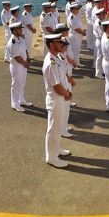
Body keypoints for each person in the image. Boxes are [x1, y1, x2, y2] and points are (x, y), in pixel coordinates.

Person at [42, 34, 73, 168]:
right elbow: (56, 86)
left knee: (58, 127)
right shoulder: (51, 62)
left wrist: (66, 93)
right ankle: (51, 157)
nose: (61, 44)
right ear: (51, 44)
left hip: (61, 97)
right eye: (58, 42)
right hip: (56, 99)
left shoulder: (57, 58)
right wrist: (67, 94)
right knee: (54, 129)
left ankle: (56, 149)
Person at [6, 22, 31, 112]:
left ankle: (22, 100)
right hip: (17, 66)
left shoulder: (21, 38)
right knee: (16, 85)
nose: (21, 30)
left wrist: (28, 59)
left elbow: (25, 49)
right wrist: (26, 63)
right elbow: (17, 57)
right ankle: (15, 104)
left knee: (22, 84)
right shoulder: (12, 42)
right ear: (14, 31)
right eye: (19, 29)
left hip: (23, 64)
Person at [92, 7, 106, 78]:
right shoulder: (99, 23)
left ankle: (102, 70)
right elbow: (102, 33)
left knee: (102, 56)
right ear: (100, 15)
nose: (105, 15)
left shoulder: (100, 21)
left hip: (101, 40)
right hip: (100, 40)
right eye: (104, 14)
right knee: (99, 57)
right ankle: (98, 72)